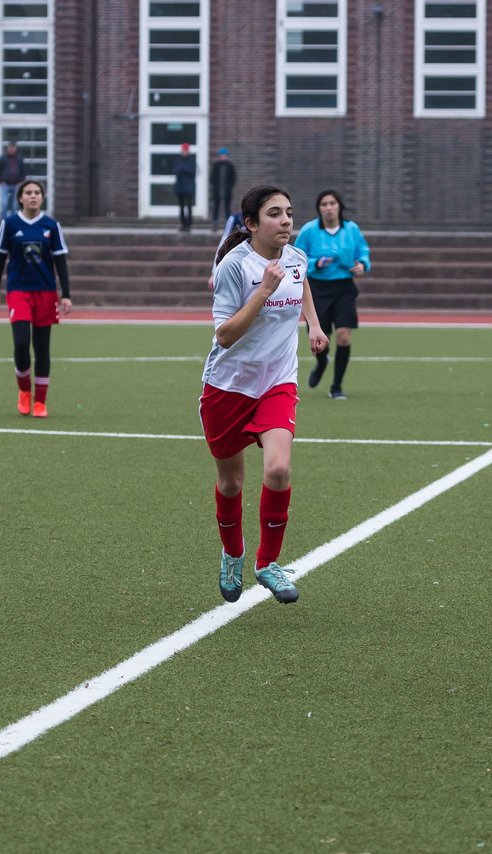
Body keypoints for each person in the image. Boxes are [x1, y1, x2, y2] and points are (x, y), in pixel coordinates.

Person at [201, 184, 329, 604]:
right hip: (228, 388)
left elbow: (302, 282)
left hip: (278, 382)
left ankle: (266, 563)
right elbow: (224, 336)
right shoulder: (234, 266)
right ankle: (232, 554)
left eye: (289, 212)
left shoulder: (295, 258)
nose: (287, 221)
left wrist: (313, 323)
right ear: (252, 224)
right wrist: (262, 292)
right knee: (231, 481)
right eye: (275, 214)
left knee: (277, 470)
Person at [0, 180, 71, 418]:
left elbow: (60, 261)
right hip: (19, 292)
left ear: (42, 197)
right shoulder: (10, 224)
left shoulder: (51, 225)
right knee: (22, 343)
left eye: (37, 193)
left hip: (45, 292)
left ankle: (40, 402)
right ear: (21, 198)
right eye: (28, 192)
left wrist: (66, 294)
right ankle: (24, 392)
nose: (33, 196)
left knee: (42, 347)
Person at [294, 189, 371, 400]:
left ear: (339, 206)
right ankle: (321, 364)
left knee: (344, 336)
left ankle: (336, 386)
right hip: (316, 290)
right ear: (319, 209)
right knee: (321, 341)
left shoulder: (351, 229)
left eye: (332, 203)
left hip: (344, 288)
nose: (328, 208)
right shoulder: (309, 230)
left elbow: (363, 252)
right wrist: (315, 264)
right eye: (324, 204)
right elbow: (295, 258)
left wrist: (363, 264)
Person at [0, 142, 25, 220]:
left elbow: (23, 171)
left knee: (15, 205)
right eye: (10, 148)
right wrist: (0, 181)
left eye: (13, 148)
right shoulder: (2, 158)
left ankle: (13, 222)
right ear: (7, 149)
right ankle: (3, 221)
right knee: (4, 204)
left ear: (15, 149)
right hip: (5, 185)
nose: (11, 150)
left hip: (16, 185)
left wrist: (21, 181)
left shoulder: (19, 158)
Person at [172, 142, 196, 232]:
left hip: (189, 188)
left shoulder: (191, 160)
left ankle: (189, 225)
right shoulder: (178, 160)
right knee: (181, 207)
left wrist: (182, 169)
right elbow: (175, 170)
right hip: (180, 188)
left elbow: (191, 171)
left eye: (186, 150)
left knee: (189, 207)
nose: (184, 152)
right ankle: (183, 224)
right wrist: (183, 169)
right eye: (183, 150)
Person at [209, 148, 236, 225]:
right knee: (216, 207)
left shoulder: (230, 166)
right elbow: (212, 178)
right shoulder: (216, 165)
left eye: (225, 155)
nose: (223, 157)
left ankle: (228, 224)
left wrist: (229, 188)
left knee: (227, 207)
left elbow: (233, 178)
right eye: (222, 155)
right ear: (219, 156)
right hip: (217, 190)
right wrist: (215, 187)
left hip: (227, 191)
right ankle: (215, 222)